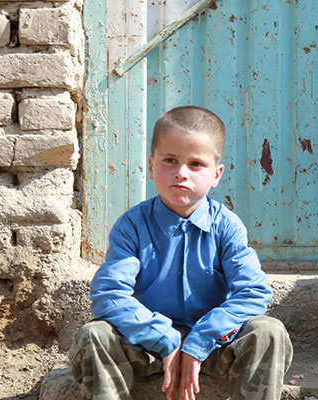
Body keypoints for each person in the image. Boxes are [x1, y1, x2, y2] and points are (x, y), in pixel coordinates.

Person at [68, 105, 292, 400]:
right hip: (145, 348)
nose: (180, 174)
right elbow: (108, 296)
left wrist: (199, 340)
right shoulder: (132, 227)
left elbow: (252, 293)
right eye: (169, 161)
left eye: (196, 164)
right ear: (151, 166)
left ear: (217, 174)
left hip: (213, 348)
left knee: (269, 332)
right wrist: (165, 339)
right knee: (94, 335)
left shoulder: (226, 226)